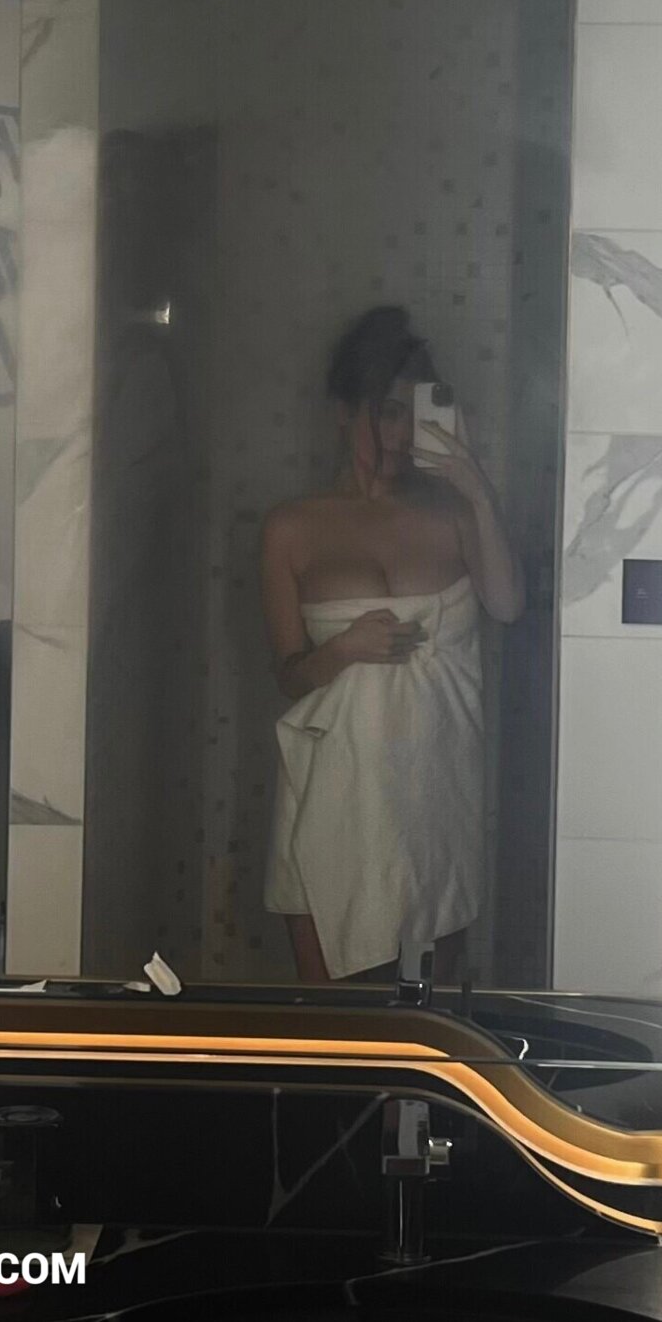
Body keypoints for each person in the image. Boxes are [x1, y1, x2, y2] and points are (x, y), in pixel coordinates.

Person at [261, 306, 524, 983]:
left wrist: (476, 490)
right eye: (385, 413)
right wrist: (345, 649)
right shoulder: (293, 528)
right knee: (330, 1022)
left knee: (428, 1017)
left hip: (432, 794)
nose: (401, 434)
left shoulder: (454, 514)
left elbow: (507, 604)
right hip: (334, 792)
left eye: (413, 414)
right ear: (343, 414)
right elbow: (289, 675)